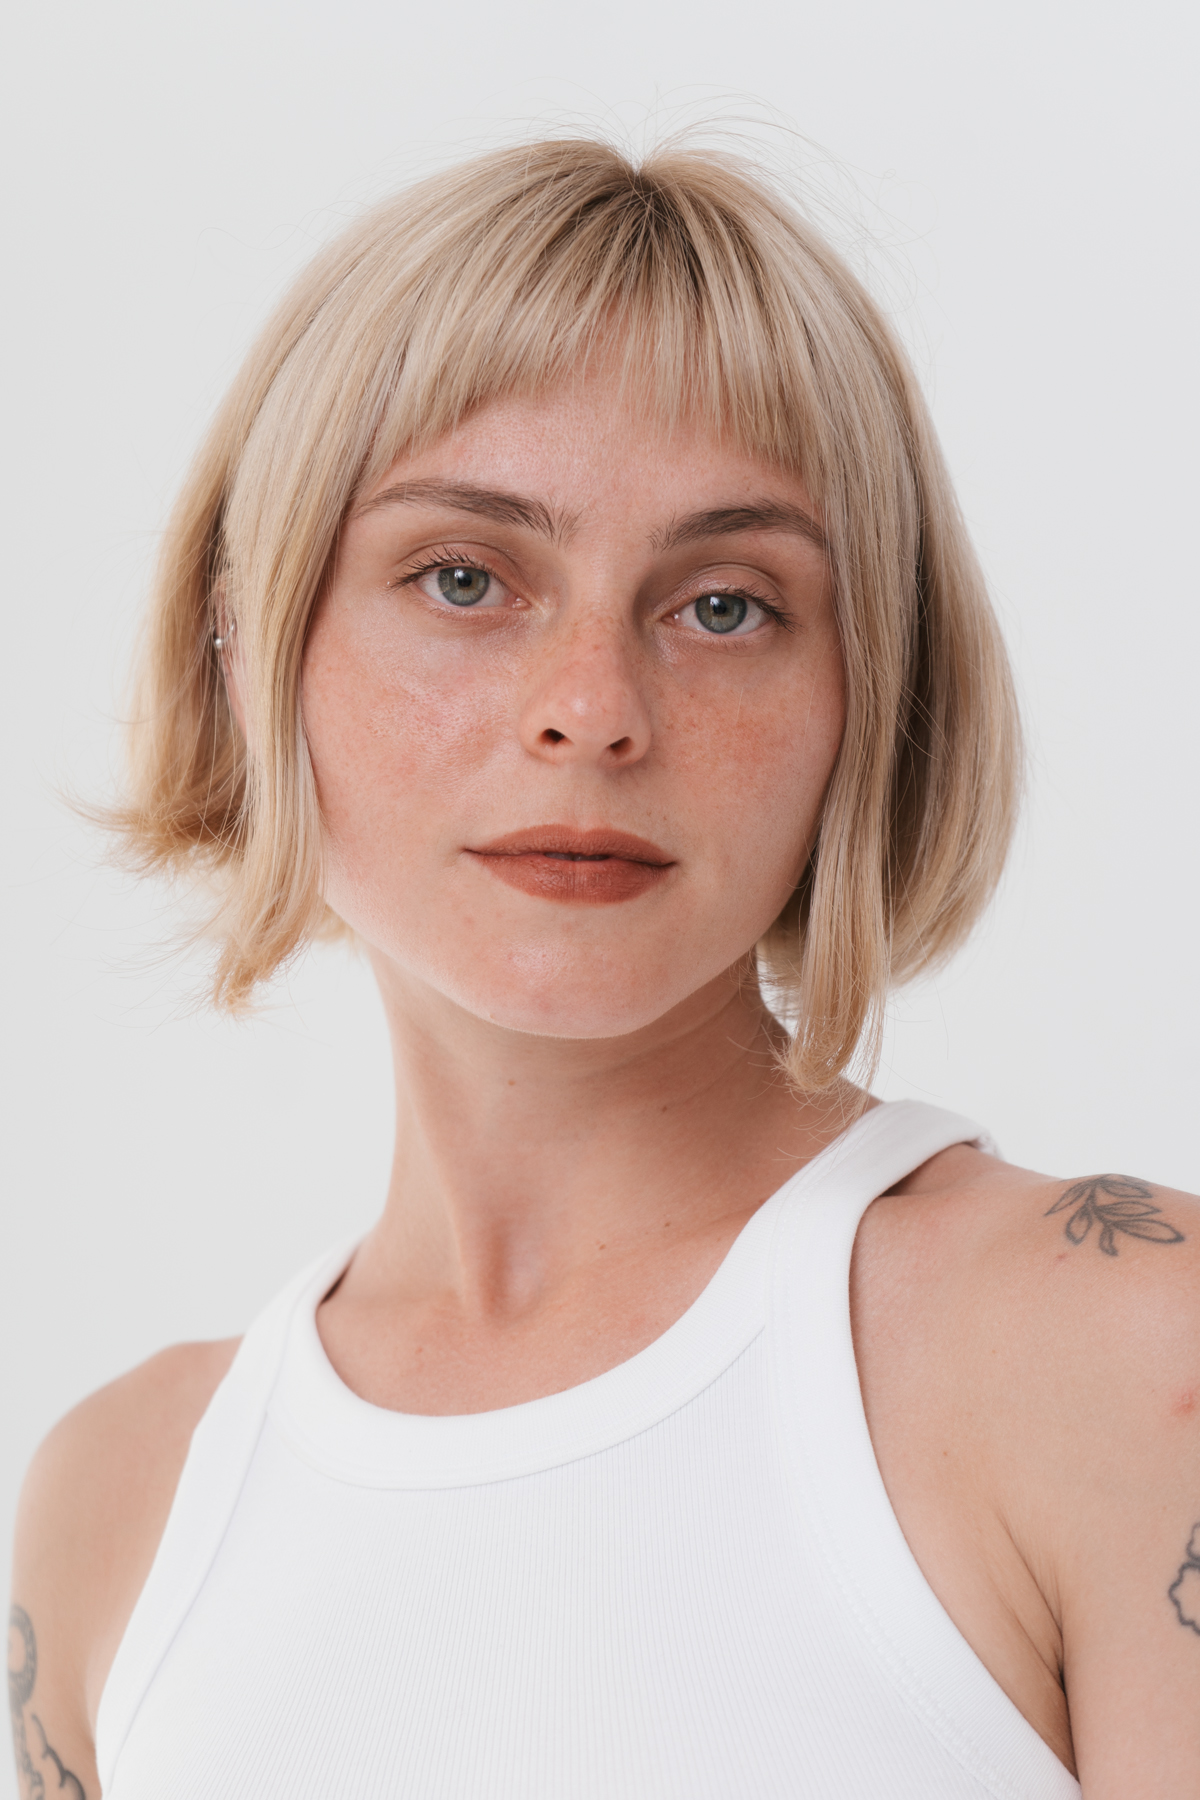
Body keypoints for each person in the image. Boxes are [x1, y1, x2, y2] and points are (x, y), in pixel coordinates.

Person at [9, 136, 1198, 1800]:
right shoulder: (116, 1510)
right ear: (245, 640)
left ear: (873, 692)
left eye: (725, 605)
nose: (594, 707)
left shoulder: (1124, 1355)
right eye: (465, 577)